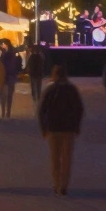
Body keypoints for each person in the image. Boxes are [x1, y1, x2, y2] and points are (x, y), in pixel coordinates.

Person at [38, 65, 84, 196]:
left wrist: (44, 127)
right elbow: (79, 109)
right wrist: (76, 126)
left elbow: (42, 110)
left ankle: (57, 183)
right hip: (68, 129)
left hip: (53, 128)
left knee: (55, 158)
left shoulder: (50, 90)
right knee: (66, 158)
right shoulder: (72, 90)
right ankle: (64, 185)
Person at [1, 44, 21, 118]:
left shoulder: (3, 59)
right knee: (10, 96)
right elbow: (17, 68)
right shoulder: (14, 59)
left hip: (4, 79)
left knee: (3, 97)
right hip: (11, 78)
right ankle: (8, 112)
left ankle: (3, 112)